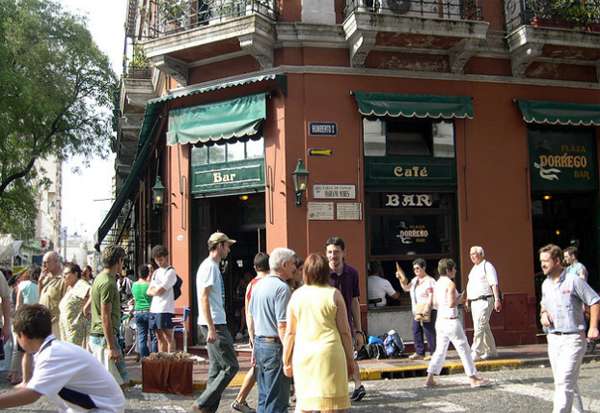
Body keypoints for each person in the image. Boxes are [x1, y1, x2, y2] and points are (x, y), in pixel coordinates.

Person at [0, 304, 125, 412]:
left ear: (22, 335)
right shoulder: (53, 349)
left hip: (105, 408)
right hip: (95, 406)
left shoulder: (52, 355)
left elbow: (31, 394)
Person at [283, 253, 354, 412]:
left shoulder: (296, 296)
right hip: (330, 352)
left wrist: (286, 360)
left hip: (304, 354)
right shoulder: (334, 294)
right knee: (332, 404)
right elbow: (345, 332)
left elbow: (290, 333)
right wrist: (351, 359)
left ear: (305, 272)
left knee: (304, 403)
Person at [539, 244, 600, 413]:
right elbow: (543, 305)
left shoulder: (574, 280)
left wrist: (593, 327)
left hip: (573, 339)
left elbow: (594, 301)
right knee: (567, 382)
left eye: (546, 261)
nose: (542, 264)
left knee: (564, 382)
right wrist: (543, 314)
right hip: (553, 339)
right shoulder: (545, 284)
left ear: (557, 261)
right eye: (541, 261)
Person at [425, 258, 489, 388]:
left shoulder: (436, 284)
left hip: (440, 320)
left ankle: (430, 378)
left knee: (440, 351)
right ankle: (472, 378)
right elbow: (451, 303)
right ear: (448, 270)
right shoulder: (450, 284)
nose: (455, 270)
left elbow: (435, 304)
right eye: (453, 268)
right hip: (451, 320)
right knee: (464, 349)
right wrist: (461, 297)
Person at [193, 232, 239, 413]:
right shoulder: (210, 267)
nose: (228, 249)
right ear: (219, 246)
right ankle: (202, 403)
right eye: (227, 246)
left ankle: (207, 409)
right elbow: (204, 297)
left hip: (214, 322)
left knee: (217, 367)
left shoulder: (211, 266)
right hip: (215, 323)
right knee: (231, 366)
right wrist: (211, 327)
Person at [248, 248, 294, 413]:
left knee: (264, 398)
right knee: (277, 401)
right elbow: (282, 325)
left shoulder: (258, 285)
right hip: (275, 346)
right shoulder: (282, 289)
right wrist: (289, 355)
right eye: (292, 264)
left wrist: (254, 346)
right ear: (284, 264)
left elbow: (252, 316)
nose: (294, 268)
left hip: (261, 343)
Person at [325, 236, 365, 402]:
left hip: (346, 323)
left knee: (350, 354)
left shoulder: (352, 273)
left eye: (336, 252)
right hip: (327, 325)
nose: (332, 256)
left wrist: (359, 330)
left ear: (343, 253)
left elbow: (355, 301)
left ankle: (358, 386)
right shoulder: (322, 274)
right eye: (329, 252)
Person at [231, 252, 270, 413]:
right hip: (269, 335)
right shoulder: (272, 283)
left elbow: (248, 312)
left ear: (255, 267)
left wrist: (250, 334)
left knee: (257, 368)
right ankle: (241, 399)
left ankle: (241, 400)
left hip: (258, 334)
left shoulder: (251, 285)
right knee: (259, 368)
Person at [89, 245, 129, 386]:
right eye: (122, 261)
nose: (123, 264)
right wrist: (111, 346)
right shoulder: (108, 283)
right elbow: (105, 316)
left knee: (118, 381)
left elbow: (87, 307)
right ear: (118, 261)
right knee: (118, 383)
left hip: (100, 335)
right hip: (104, 338)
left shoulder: (100, 278)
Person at [465, 246, 502, 361]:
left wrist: (497, 299)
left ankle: (475, 351)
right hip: (475, 301)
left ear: (481, 254)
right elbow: (470, 285)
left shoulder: (487, 266)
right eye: (470, 254)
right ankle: (491, 351)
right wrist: (467, 299)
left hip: (485, 300)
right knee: (484, 326)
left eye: (474, 253)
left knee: (479, 326)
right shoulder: (474, 269)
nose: (472, 256)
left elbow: (494, 284)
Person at [397, 258, 437, 360]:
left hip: (427, 309)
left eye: (418, 268)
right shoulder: (415, 280)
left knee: (429, 330)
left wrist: (428, 307)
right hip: (417, 310)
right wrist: (400, 279)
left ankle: (433, 352)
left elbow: (431, 295)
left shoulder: (430, 281)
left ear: (424, 268)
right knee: (416, 330)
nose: (416, 271)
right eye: (414, 269)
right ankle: (420, 352)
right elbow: (406, 288)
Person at [147, 245, 177, 353]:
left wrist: (155, 290)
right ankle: (162, 360)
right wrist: (155, 290)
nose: (159, 262)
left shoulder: (171, 272)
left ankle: (171, 360)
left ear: (166, 257)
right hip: (154, 309)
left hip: (165, 308)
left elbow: (160, 290)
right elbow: (148, 291)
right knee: (159, 337)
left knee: (168, 336)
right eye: (156, 260)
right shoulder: (155, 272)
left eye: (161, 259)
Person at [58, 262, 91, 347]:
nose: (64, 276)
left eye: (66, 274)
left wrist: (86, 309)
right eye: (63, 274)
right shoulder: (70, 288)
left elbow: (93, 293)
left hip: (76, 332)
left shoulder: (80, 284)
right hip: (67, 331)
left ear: (75, 274)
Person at [38, 251, 65, 338]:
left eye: (47, 262)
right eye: (43, 262)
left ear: (56, 262)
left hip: (55, 323)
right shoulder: (45, 278)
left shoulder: (63, 279)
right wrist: (40, 283)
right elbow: (41, 297)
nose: (44, 265)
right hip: (43, 321)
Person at [131, 264, 156, 359]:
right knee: (154, 337)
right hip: (149, 311)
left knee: (142, 337)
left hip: (138, 312)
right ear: (148, 273)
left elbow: (135, 298)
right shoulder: (149, 285)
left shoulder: (134, 285)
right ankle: (154, 359)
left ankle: (144, 359)